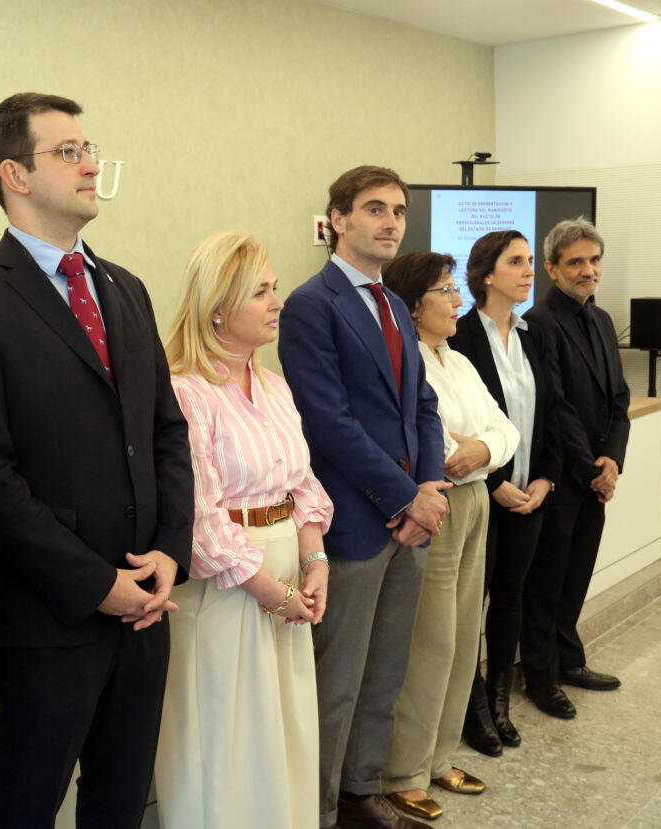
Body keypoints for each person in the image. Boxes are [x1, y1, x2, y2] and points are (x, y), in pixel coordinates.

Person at [0, 92, 193, 829]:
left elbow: (167, 431)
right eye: (68, 152)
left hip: (147, 605)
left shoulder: (126, 289)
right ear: (15, 173)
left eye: (89, 149)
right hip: (46, 618)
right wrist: (95, 582)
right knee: (25, 805)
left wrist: (171, 549)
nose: (90, 165)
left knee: (120, 802)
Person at [278, 165, 448, 829]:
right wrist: (406, 495)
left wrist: (429, 487)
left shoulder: (392, 307)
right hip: (354, 523)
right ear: (339, 219)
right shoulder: (311, 304)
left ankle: (359, 796)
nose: (390, 222)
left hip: (410, 520)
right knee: (338, 685)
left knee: (385, 676)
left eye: (399, 211)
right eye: (375, 209)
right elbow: (326, 421)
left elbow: (424, 405)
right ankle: (316, 810)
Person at [154, 231, 333, 829]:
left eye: (275, 288)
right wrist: (271, 591)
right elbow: (199, 516)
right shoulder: (188, 392)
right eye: (261, 291)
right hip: (230, 590)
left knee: (284, 730)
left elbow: (302, 485)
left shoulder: (275, 385)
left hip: (287, 582)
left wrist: (315, 566)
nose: (277, 301)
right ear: (218, 309)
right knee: (228, 742)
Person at [378, 251, 518, 821]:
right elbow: (423, 440)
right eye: (446, 291)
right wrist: (464, 448)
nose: (459, 300)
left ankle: (439, 759)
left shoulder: (457, 360)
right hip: (436, 505)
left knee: (464, 637)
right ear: (414, 305)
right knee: (430, 641)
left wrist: (482, 449)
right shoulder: (404, 358)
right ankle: (402, 770)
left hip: (476, 500)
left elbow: (504, 427)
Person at [448, 230, 560, 754]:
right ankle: (471, 711)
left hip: (530, 493)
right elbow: (461, 427)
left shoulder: (533, 334)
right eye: (517, 261)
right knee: (472, 606)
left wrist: (544, 478)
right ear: (486, 274)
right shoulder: (459, 336)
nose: (529, 270)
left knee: (512, 599)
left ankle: (499, 702)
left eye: (531, 261)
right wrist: (495, 484)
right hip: (485, 497)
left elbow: (553, 412)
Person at [519, 217, 629, 718]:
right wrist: (590, 466)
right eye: (576, 262)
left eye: (594, 260)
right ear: (552, 269)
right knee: (548, 580)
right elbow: (556, 407)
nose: (588, 271)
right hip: (563, 476)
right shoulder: (541, 322)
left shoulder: (602, 319)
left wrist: (614, 461)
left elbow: (619, 399)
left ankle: (569, 660)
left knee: (578, 575)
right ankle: (540, 677)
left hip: (595, 476)